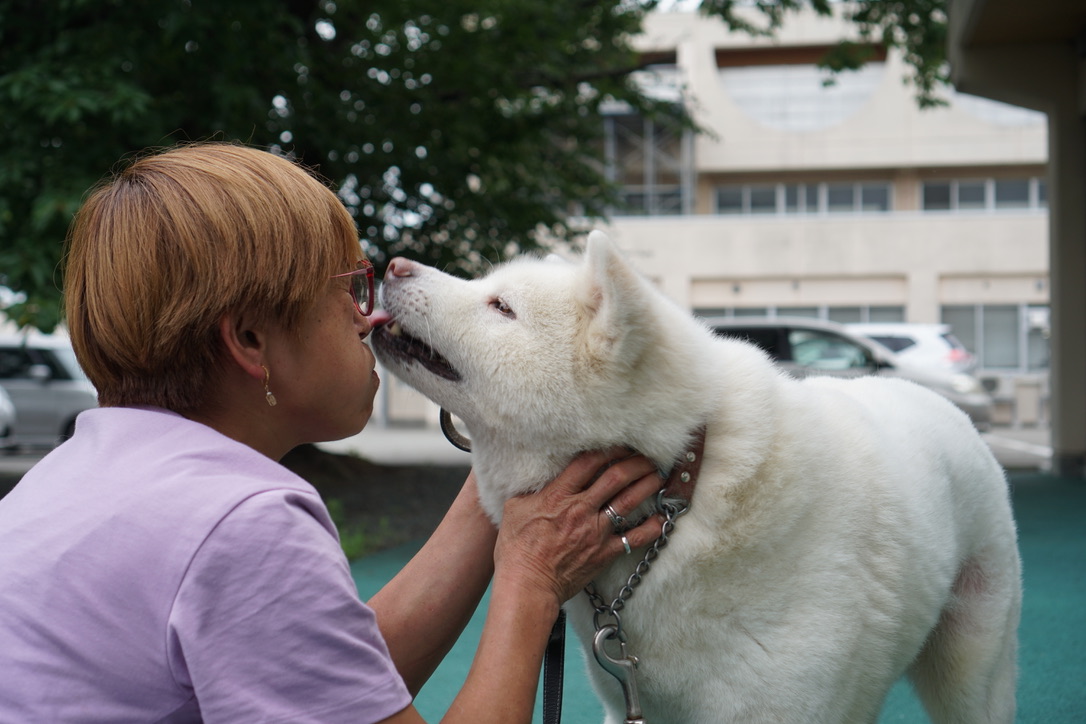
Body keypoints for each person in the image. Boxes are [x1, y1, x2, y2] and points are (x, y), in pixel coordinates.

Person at [0, 143, 664, 723]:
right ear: (253, 340)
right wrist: (531, 575)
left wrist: (506, 457)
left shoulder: (67, 480)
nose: (368, 318)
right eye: (349, 288)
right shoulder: (239, 525)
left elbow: (327, 684)